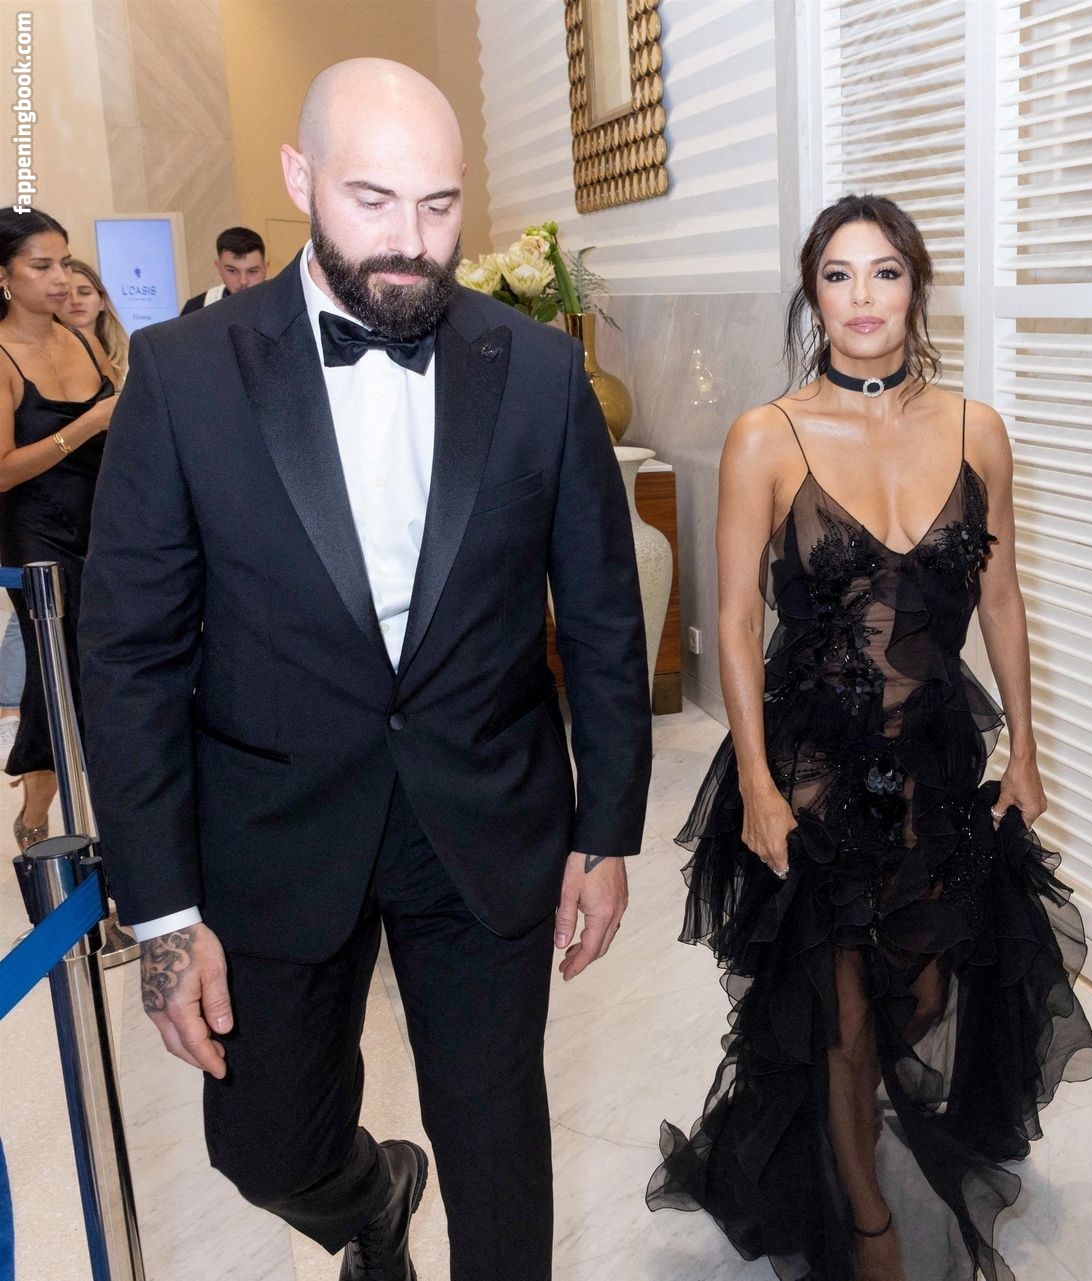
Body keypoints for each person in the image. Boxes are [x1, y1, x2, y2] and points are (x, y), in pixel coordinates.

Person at [80, 59, 651, 1280]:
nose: (411, 241)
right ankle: (373, 1194)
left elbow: (605, 616)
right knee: (264, 1148)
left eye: (439, 205)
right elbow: (130, 657)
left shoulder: (537, 369)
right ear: (299, 178)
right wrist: (165, 913)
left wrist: (606, 832)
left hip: (484, 818)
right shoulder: (183, 375)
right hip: (274, 827)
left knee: (498, 1152)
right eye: (373, 199)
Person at [647, 194, 1092, 1281]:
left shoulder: (977, 429)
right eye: (839, 275)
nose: (863, 297)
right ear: (813, 295)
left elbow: (1001, 598)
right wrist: (756, 782)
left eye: (885, 272)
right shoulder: (767, 435)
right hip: (812, 763)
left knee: (927, 985)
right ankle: (869, 1231)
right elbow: (736, 619)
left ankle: (857, 1150)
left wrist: (1026, 750)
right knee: (844, 1006)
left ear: (917, 288)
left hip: (939, 756)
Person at [0, 209, 118, 850]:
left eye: (65, 263)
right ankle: (46, 819)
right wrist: (88, 424)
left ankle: (95, 817)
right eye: (41, 265)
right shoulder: (1, 355)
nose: (60, 278)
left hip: (106, 528)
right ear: (3, 275)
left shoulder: (82, 340)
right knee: (61, 674)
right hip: (38, 539)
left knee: (102, 673)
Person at [65, 259, 131, 383]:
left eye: (84, 293)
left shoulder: (131, 356)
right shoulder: (43, 357)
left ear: (102, 302)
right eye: (65, 295)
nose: (75, 301)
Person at [179, 225, 267, 314]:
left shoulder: (276, 302)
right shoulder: (196, 308)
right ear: (219, 268)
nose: (243, 281)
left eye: (252, 271)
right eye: (232, 271)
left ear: (265, 268)